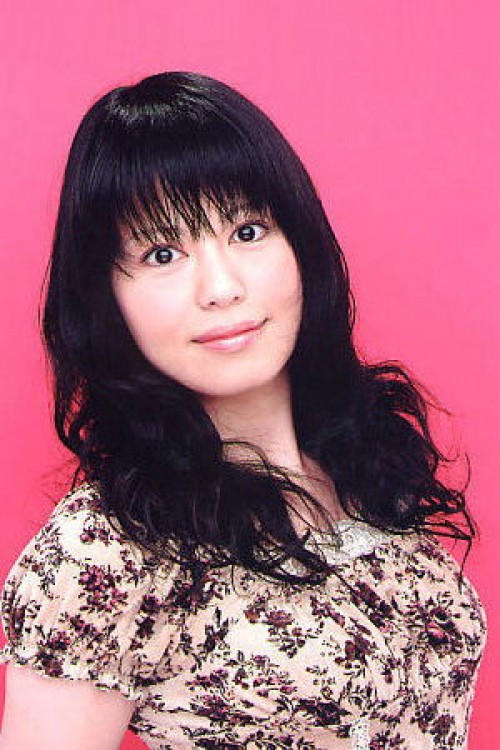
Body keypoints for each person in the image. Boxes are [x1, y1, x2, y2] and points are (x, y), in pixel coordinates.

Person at [0, 71, 486, 750]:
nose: (222, 287)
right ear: (106, 296)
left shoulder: (366, 465)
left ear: (300, 244)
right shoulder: (108, 548)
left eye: (248, 230)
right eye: (162, 253)